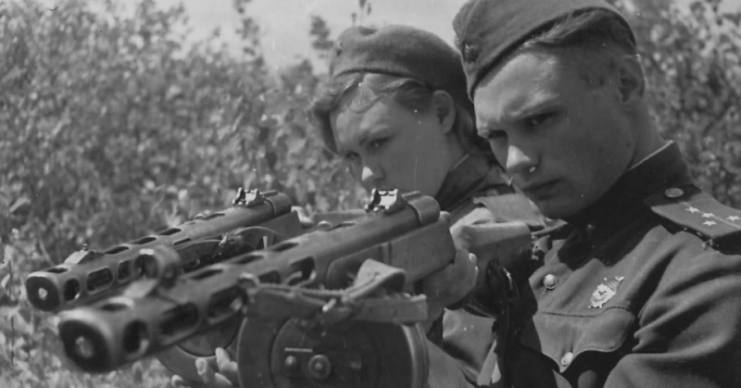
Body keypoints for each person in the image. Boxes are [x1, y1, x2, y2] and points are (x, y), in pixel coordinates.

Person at [173, 24, 543, 388]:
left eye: (379, 142)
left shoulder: (489, 229)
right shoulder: (406, 228)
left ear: (443, 113)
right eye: (351, 155)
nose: (366, 174)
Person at [429, 0, 741, 387]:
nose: (514, 161)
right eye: (495, 136)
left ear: (626, 84)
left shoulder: (712, 275)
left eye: (539, 119)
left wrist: (416, 362)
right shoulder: (551, 246)